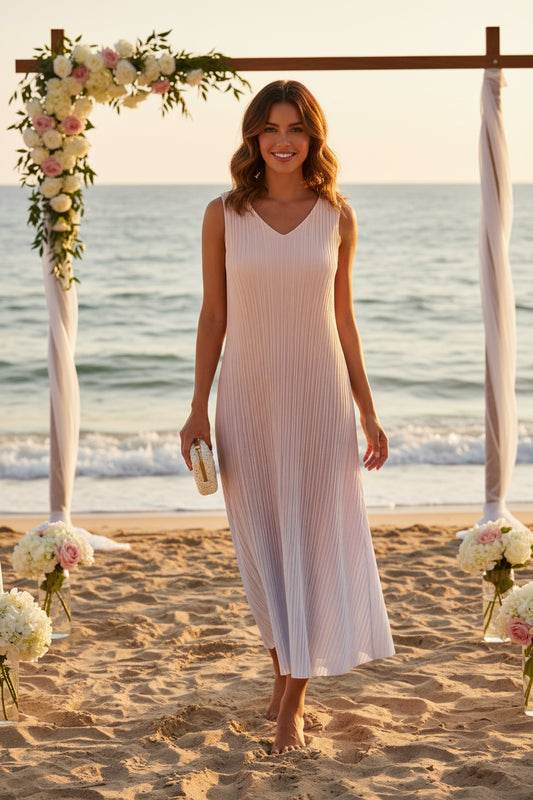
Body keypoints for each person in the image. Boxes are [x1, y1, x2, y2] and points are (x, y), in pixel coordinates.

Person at [180, 80, 395, 756]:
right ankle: (286, 681)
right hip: (245, 399)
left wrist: (367, 411)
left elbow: (343, 320)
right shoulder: (222, 214)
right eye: (270, 128)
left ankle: (290, 708)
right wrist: (195, 409)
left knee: (311, 546)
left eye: (295, 128)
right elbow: (214, 316)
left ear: (312, 138)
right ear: (253, 136)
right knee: (265, 552)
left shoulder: (336, 215)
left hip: (318, 400)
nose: (282, 140)